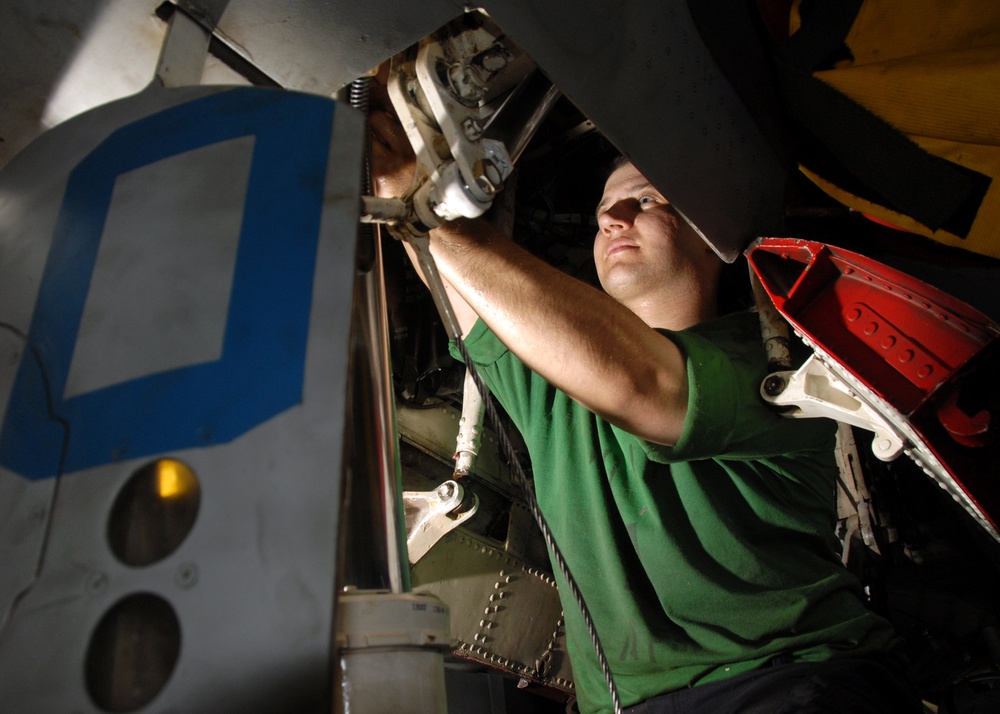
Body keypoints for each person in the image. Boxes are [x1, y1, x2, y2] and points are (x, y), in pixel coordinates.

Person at [371, 105, 921, 713]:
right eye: (606, 205)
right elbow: (461, 287)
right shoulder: (555, 389)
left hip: (784, 682)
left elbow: (639, 383)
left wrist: (430, 209)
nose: (611, 216)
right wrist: (399, 183)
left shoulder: (770, 360)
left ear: (713, 235)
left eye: (649, 199)